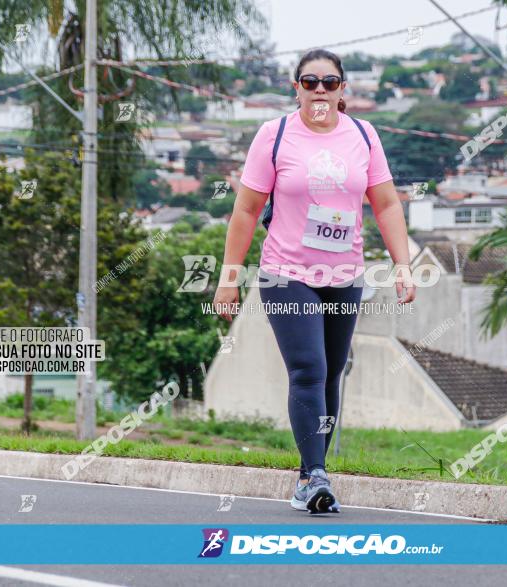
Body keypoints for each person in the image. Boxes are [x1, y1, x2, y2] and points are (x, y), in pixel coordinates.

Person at [213, 48, 415, 514]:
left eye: (329, 82)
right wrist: (228, 279)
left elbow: (385, 204)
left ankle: (309, 475)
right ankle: (318, 475)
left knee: (332, 372)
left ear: (344, 89)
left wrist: (402, 263)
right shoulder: (275, 135)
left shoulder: (364, 136)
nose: (319, 90)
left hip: (344, 274)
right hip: (286, 273)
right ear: (296, 88)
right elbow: (245, 210)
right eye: (310, 82)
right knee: (308, 369)